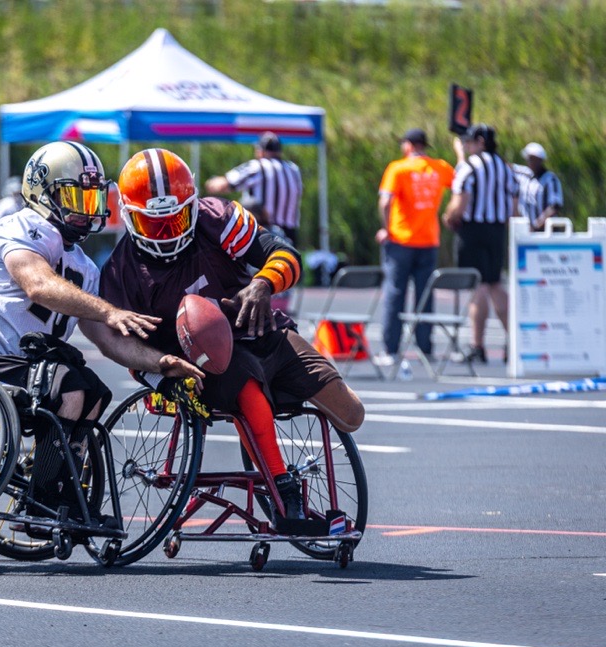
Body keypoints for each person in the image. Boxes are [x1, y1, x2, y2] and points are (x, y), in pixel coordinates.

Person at [0, 141, 203, 524]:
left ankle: (61, 492)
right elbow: (38, 285)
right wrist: (109, 309)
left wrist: (161, 363)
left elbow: (107, 339)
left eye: (91, 198)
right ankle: (42, 500)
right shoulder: (23, 226)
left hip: (9, 366)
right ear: (42, 192)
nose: (83, 209)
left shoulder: (85, 266)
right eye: (74, 196)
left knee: (93, 391)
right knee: (69, 385)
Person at [100, 148, 364, 520]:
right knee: (243, 381)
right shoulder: (122, 269)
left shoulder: (216, 217)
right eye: (153, 224)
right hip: (201, 362)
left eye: (175, 220)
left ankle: (268, 436)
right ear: (129, 217)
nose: (164, 233)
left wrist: (264, 284)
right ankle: (282, 487)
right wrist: (159, 371)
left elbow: (286, 254)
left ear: (192, 205)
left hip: (258, 330)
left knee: (351, 413)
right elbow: (119, 341)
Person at [374, 128, 456, 365]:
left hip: (401, 239)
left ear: (409, 145)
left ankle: (390, 349)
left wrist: (386, 228)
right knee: (425, 295)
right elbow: (460, 182)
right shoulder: (439, 167)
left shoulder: (398, 168)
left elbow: (385, 201)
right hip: (428, 239)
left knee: (395, 293)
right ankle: (425, 348)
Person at [442, 123, 518, 364]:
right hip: (497, 229)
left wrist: (449, 217)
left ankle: (477, 345)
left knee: (479, 287)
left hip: (473, 229)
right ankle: (515, 342)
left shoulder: (470, 167)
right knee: (495, 284)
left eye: (470, 141)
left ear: (480, 142)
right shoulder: (505, 168)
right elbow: (514, 206)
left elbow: (460, 201)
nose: (467, 146)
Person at [204, 132, 303, 246]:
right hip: (289, 234)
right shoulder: (294, 170)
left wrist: (210, 182)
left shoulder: (257, 166)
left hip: (260, 233)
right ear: (279, 151)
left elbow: (221, 185)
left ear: (260, 151)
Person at [512, 142, 563, 231]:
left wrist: (537, 224)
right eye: (529, 159)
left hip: (547, 232)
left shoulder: (550, 179)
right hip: (528, 231)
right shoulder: (527, 177)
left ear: (540, 160)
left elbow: (555, 205)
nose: (530, 162)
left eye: (533, 159)